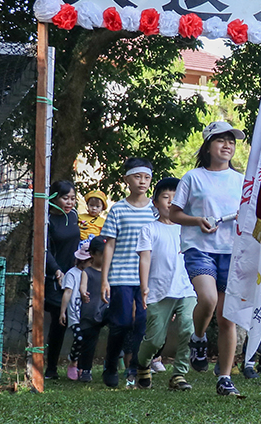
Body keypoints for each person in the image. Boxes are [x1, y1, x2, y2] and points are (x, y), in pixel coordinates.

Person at [170, 121, 246, 397]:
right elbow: (174, 214)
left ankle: (225, 378)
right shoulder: (193, 177)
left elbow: (252, 215)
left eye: (231, 141)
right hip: (199, 249)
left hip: (233, 252)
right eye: (220, 140)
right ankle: (198, 337)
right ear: (208, 146)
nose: (227, 145)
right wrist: (196, 220)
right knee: (209, 300)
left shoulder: (241, 181)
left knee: (228, 318)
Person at [135, 177, 197, 391]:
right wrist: (144, 287)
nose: (170, 201)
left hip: (188, 288)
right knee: (155, 339)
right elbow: (145, 258)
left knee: (188, 328)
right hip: (158, 290)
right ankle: (142, 364)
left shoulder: (189, 229)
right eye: (165, 197)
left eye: (175, 197)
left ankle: (179, 374)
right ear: (155, 202)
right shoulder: (149, 229)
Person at [99, 158, 156, 387]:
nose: (142, 181)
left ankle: (136, 368)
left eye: (147, 177)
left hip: (147, 278)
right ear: (126, 180)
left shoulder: (156, 210)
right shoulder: (118, 209)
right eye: (137, 177)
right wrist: (104, 279)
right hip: (121, 275)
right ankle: (111, 364)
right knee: (121, 323)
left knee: (142, 323)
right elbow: (109, 245)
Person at [44, 179, 80, 380]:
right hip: (53, 278)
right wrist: (57, 270)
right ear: (54, 198)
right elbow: (45, 249)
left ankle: (74, 365)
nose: (69, 202)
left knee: (69, 320)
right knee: (58, 320)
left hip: (73, 275)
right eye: (65, 198)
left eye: (73, 199)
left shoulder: (74, 216)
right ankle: (49, 368)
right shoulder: (47, 219)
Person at [76, 236, 109, 383]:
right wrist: (83, 293)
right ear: (93, 254)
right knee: (89, 341)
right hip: (90, 312)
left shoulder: (110, 271)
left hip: (107, 309)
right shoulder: (87, 272)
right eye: (102, 254)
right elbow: (83, 286)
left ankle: (112, 367)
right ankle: (85, 370)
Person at [59, 241, 92, 381]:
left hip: (88, 313)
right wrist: (63, 312)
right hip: (75, 313)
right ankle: (73, 361)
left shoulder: (93, 273)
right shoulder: (72, 274)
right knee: (79, 338)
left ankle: (83, 367)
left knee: (88, 339)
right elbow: (67, 292)